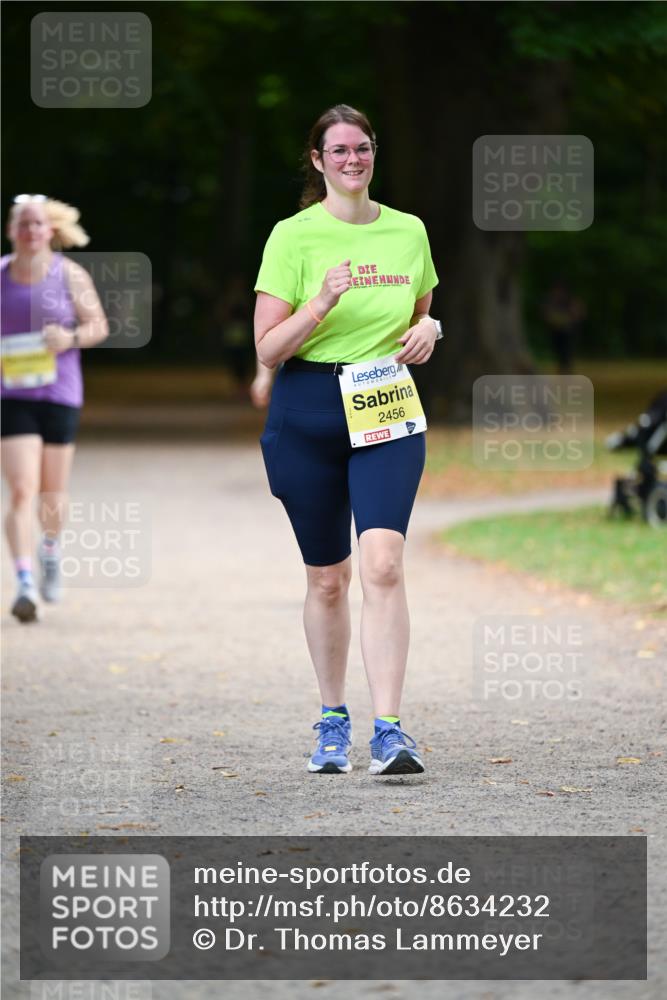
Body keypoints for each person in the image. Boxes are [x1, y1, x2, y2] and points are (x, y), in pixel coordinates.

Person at [254, 105, 441, 776]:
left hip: (384, 403)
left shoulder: (407, 230)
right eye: (338, 151)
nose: (351, 160)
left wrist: (433, 332)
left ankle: (389, 731)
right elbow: (267, 347)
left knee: (383, 565)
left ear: (373, 153)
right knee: (328, 580)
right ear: (317, 160)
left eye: (361, 148)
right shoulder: (292, 237)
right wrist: (318, 305)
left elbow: (420, 312)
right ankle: (332, 720)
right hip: (306, 410)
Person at [1, 195, 108, 623]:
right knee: (23, 489)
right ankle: (24, 580)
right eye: (23, 224)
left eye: (38, 224)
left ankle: (50, 550)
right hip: (12, 396)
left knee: (51, 494)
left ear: (51, 231)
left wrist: (69, 339)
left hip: (60, 393)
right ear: (12, 230)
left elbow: (98, 325)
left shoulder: (70, 274)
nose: (30, 231)